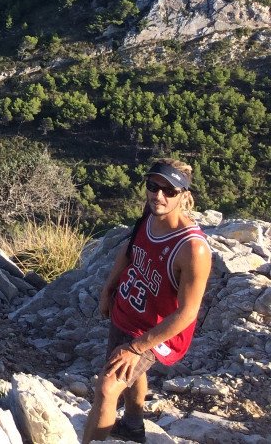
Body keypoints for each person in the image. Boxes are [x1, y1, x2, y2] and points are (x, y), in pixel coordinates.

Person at [81, 159, 212, 442]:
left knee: (106, 387)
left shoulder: (192, 249)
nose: (159, 195)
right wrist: (108, 290)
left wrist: (137, 347)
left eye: (169, 190)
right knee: (127, 374)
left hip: (155, 330)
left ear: (184, 195)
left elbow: (188, 313)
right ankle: (133, 425)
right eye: (153, 186)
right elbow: (129, 251)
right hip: (128, 309)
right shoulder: (150, 215)